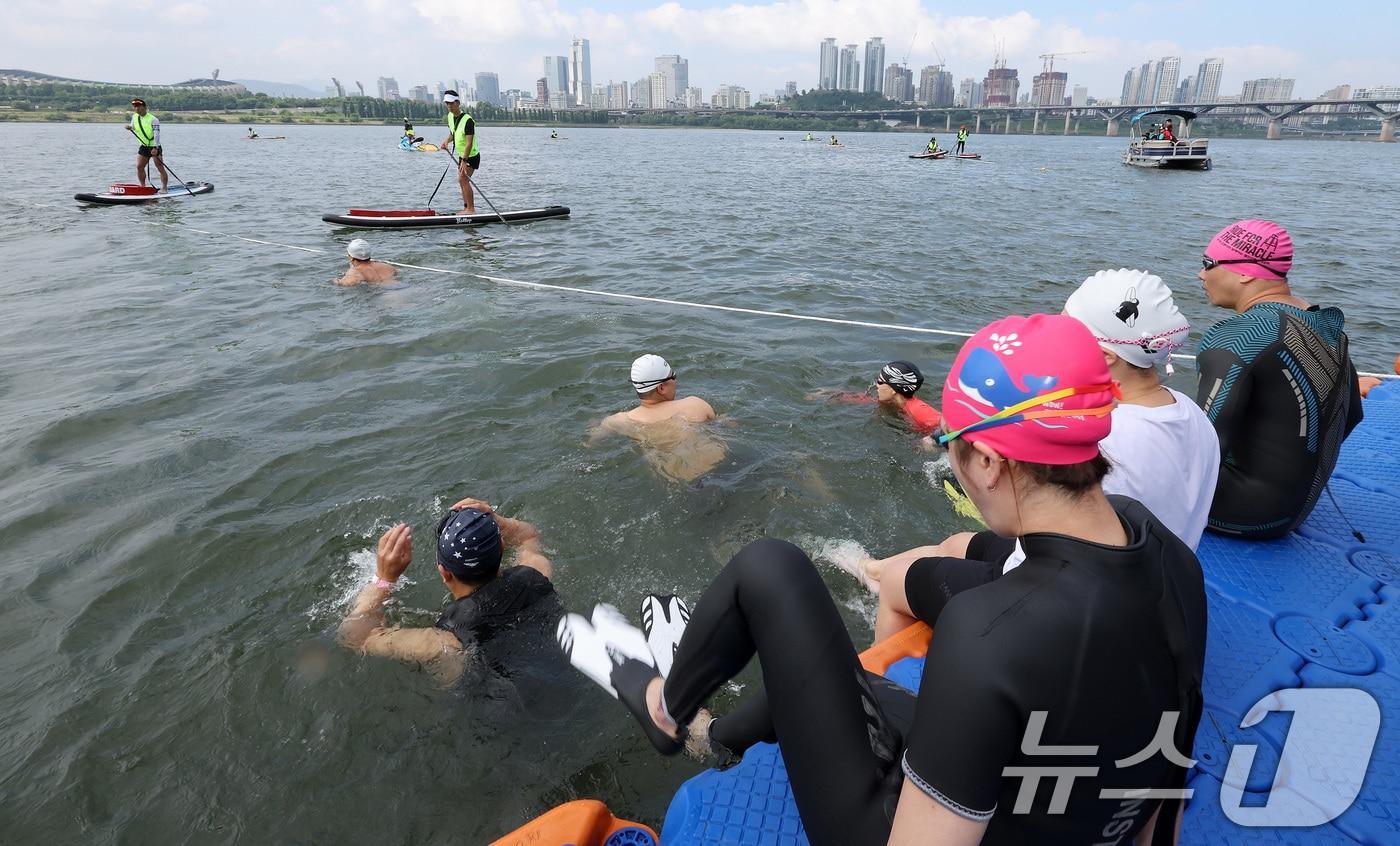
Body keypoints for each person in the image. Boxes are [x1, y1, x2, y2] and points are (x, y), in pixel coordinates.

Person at [567, 314, 1207, 846]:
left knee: (770, 567)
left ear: (987, 461)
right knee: (847, 678)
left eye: (955, 443)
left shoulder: (989, 632)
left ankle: (664, 709)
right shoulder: (1164, 550)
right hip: (1063, 810)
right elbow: (1169, 767)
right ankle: (710, 734)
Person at [1195, 219, 1362, 539]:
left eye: (1208, 264)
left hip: (1237, 514)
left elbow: (1202, 445)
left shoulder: (1238, 337)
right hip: (1296, 508)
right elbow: (1351, 414)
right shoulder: (1328, 327)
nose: (1201, 274)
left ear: (1244, 272)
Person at [339, 498, 562, 690]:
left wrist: (384, 579)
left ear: (443, 572)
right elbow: (528, 537)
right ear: (502, 548)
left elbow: (354, 637)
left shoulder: (443, 643)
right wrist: (496, 520)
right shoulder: (536, 574)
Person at [592, 354, 724, 481]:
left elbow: (591, 443)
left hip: (677, 479)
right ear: (661, 388)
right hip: (722, 470)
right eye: (673, 376)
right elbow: (726, 425)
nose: (676, 380)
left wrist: (593, 424)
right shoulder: (694, 404)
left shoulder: (619, 421)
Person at [815, 361, 942, 436]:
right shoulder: (892, 401)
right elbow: (863, 399)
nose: (877, 385)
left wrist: (933, 439)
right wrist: (832, 394)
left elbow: (950, 428)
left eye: (880, 382)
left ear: (893, 389)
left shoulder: (919, 410)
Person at [439, 90, 480, 214]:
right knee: (461, 180)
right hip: (462, 155)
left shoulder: (468, 121)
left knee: (463, 179)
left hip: (471, 156)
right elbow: (453, 133)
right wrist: (446, 141)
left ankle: (471, 210)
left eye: (451, 103)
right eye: (447, 103)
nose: (449, 106)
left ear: (458, 103)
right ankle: (466, 208)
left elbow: (469, 143)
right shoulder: (450, 117)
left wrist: (464, 160)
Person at [128, 98, 169, 193]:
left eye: (139, 106)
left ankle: (164, 188)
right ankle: (143, 187)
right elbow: (133, 126)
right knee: (139, 166)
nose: (137, 108)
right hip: (143, 146)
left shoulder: (153, 119)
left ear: (145, 107)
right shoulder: (134, 117)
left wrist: (155, 147)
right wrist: (129, 127)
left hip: (154, 146)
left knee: (159, 167)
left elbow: (156, 134)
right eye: (135, 107)